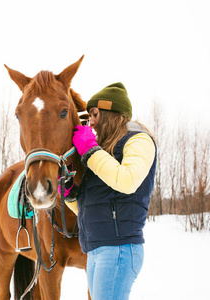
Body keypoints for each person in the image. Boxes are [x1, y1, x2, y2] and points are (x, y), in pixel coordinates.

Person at [61, 82, 157, 300]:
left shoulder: (138, 139)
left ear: (110, 113)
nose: (91, 121)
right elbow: (90, 209)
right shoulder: (103, 152)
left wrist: (90, 150)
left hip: (119, 249)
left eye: (94, 114)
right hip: (97, 249)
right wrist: (70, 193)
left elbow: (128, 181)